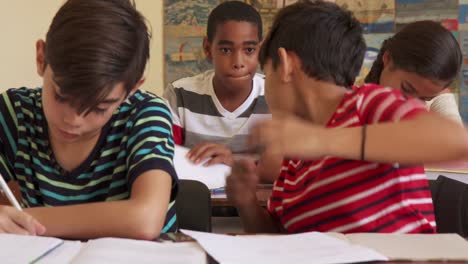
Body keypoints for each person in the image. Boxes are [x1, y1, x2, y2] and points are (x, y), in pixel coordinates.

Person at [225, 1, 468, 234]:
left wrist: (322, 140)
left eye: (267, 73)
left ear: (286, 65)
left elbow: (458, 142)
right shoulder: (293, 160)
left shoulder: (370, 104)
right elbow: (281, 237)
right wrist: (246, 204)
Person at [0, 0, 177, 240]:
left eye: (99, 107)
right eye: (61, 96)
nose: (73, 120)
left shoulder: (145, 114)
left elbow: (144, 219)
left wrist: (20, 220)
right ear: (41, 58)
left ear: (132, 90)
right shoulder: (14, 113)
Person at [163, 1, 272, 167]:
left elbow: (286, 171)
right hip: (197, 192)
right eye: (226, 50)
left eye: (249, 50)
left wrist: (232, 164)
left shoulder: (275, 96)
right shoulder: (179, 95)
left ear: (260, 50)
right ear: (208, 48)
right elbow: (165, 160)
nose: (238, 62)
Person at [365, 20, 463, 124]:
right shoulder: (354, 109)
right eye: (407, 89)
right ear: (388, 59)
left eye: (424, 99)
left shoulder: (436, 102)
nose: (411, 107)